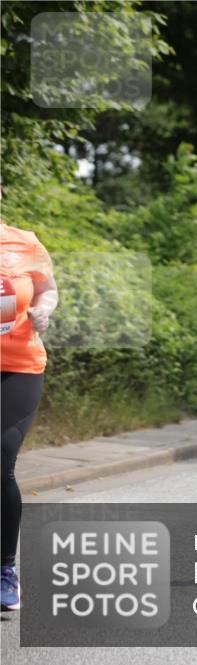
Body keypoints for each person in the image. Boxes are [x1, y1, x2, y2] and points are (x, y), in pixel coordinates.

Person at [1, 220, 59, 612]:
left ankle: (4, 569)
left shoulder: (25, 243)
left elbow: (47, 289)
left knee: (0, 462)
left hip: (18, 367)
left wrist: (43, 310)